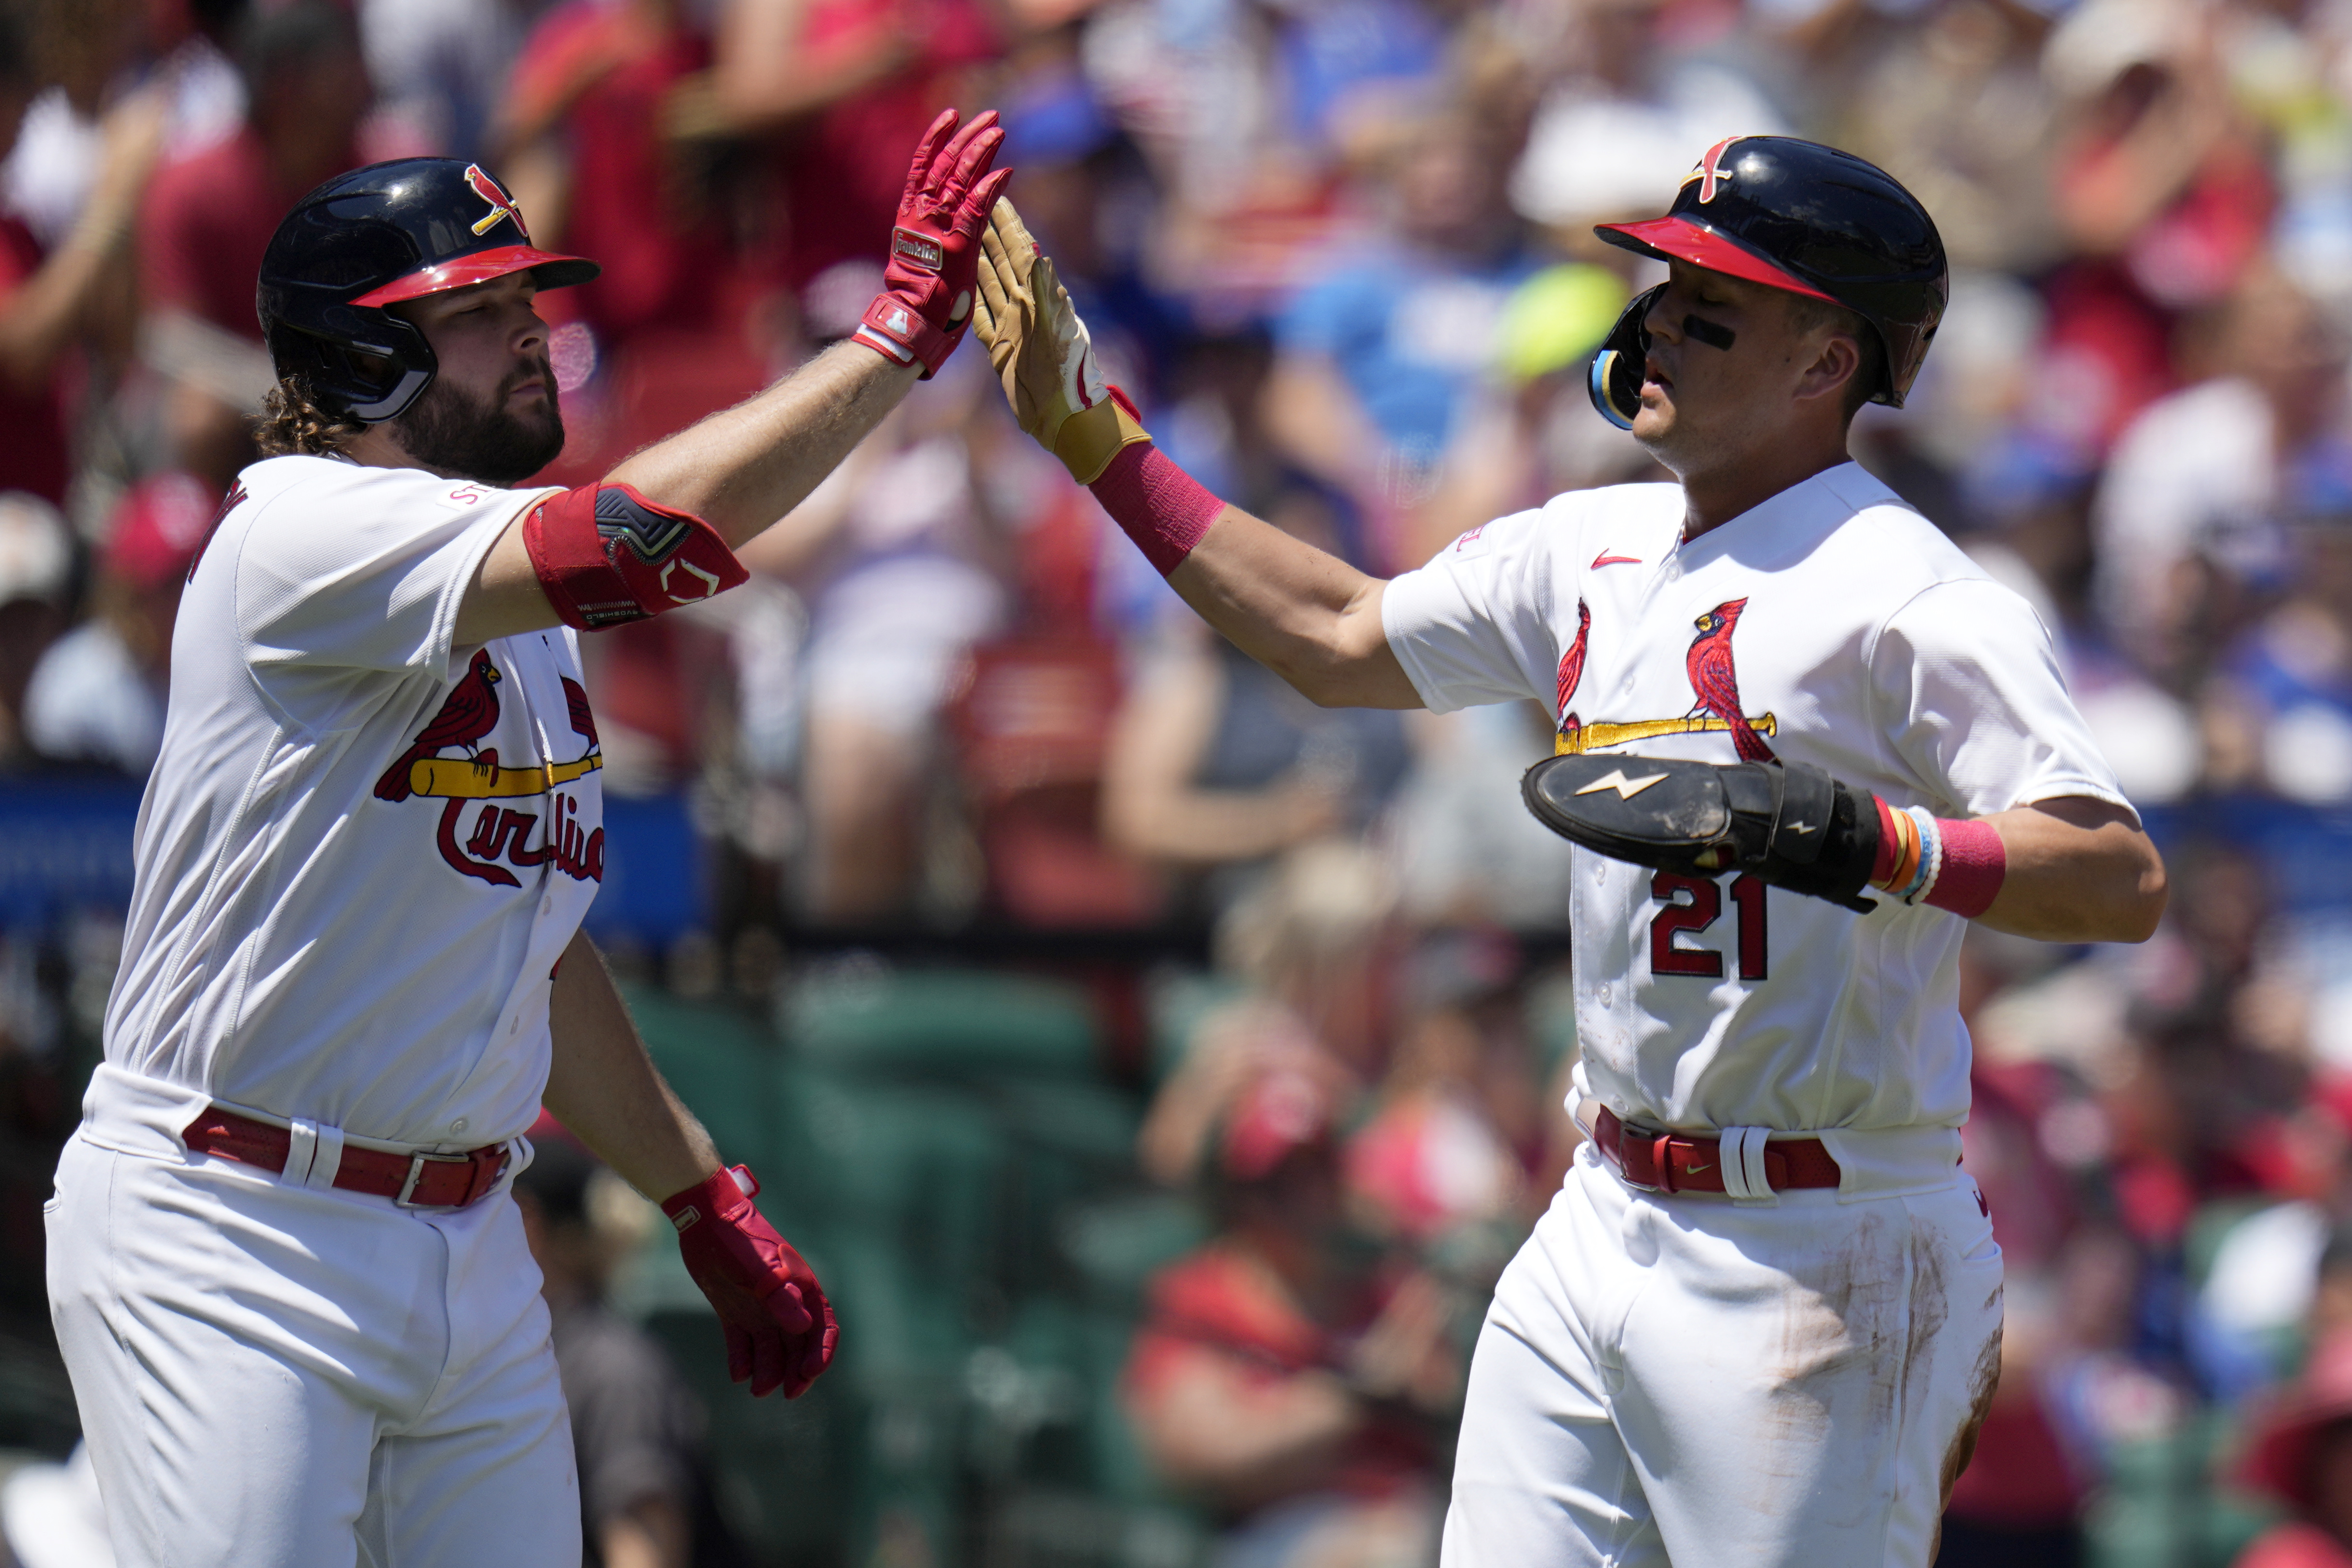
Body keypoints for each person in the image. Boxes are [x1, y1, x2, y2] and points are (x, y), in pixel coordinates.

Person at [976, 133, 2167, 1566]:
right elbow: (1342, 637)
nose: (1657, 319)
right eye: (1663, 284)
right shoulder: (1591, 545)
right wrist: (1094, 436)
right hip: (1601, 1203)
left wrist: (1876, 839)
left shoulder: (1902, 590)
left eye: (1710, 304)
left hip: (1823, 1241)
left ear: (1825, 363)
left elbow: (2115, 873)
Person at [44, 112, 1010, 1567]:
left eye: (529, 301)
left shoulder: (518, 622)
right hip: (233, 1225)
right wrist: (883, 344)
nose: (535, 334)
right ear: (364, 358)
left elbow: (533, 956)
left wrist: (697, 1190)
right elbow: (645, 536)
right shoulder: (300, 536)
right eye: (481, 312)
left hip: (470, 1237)